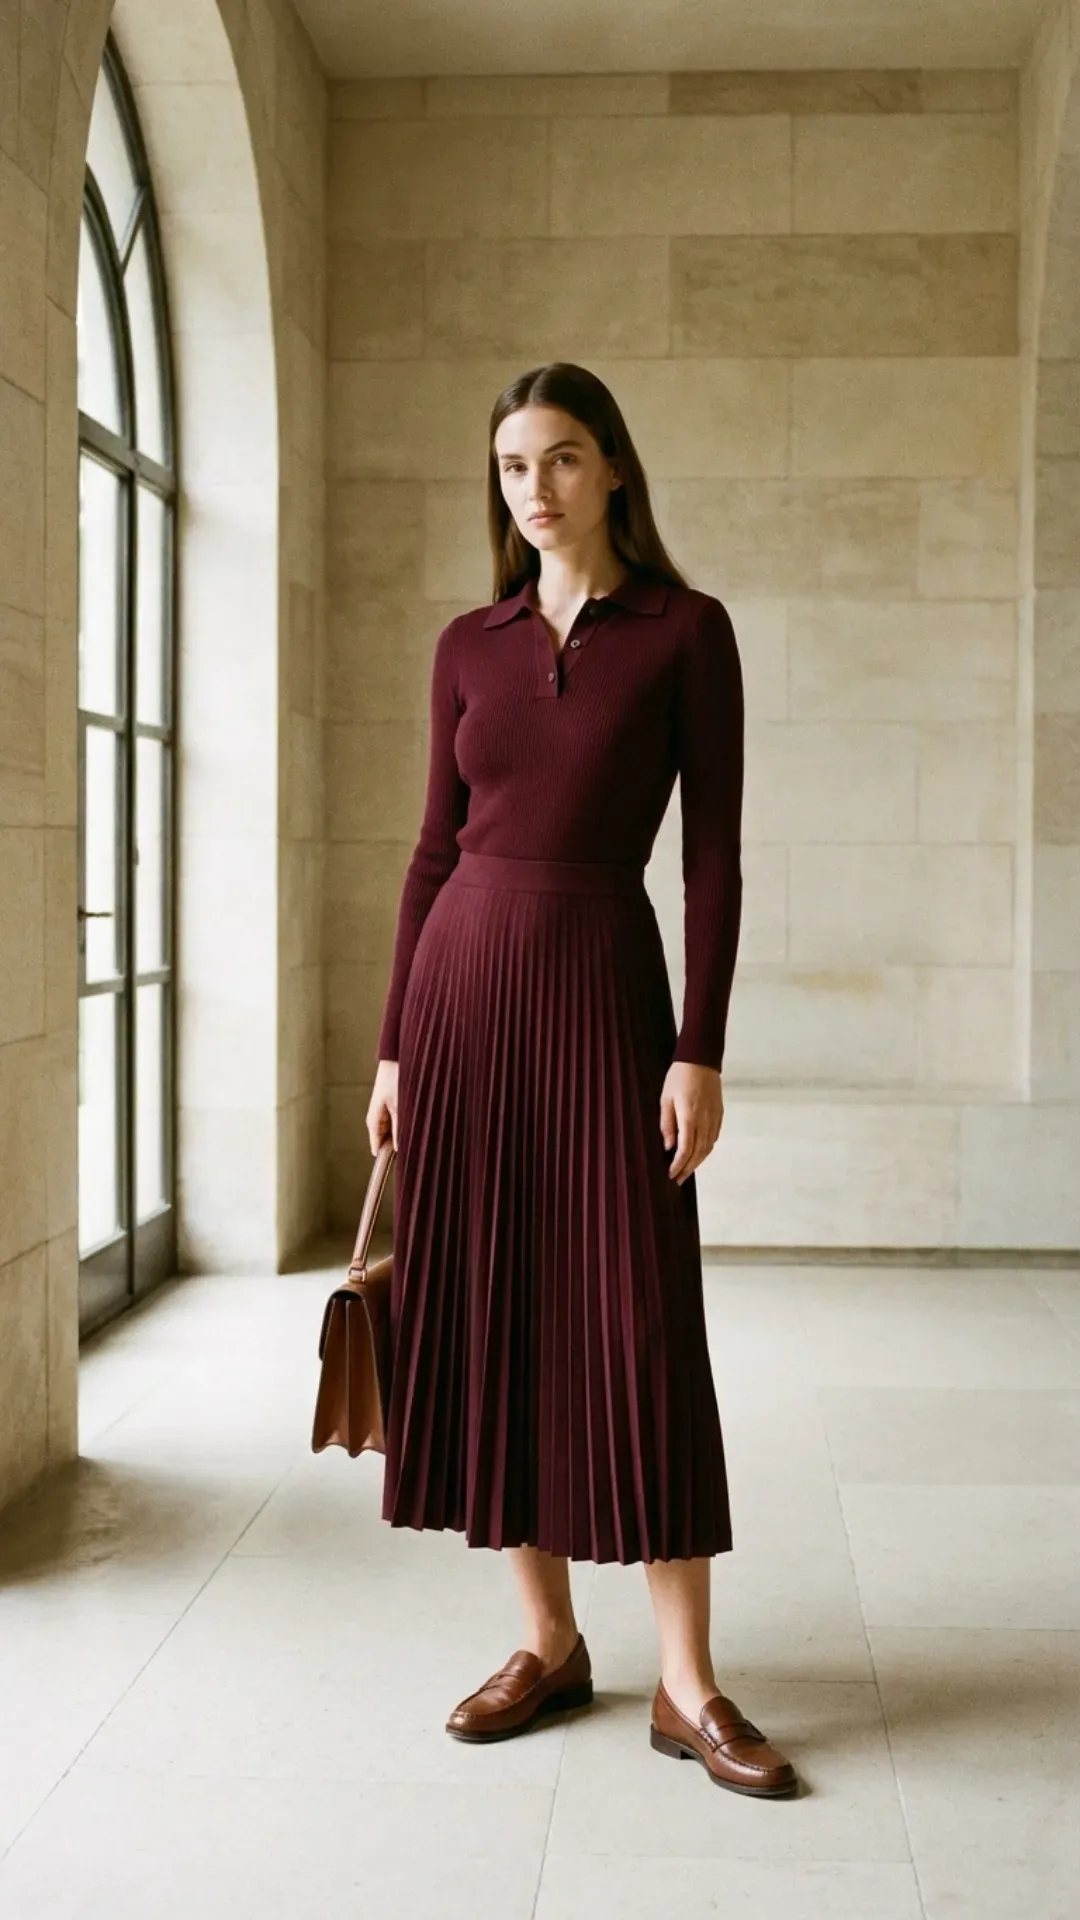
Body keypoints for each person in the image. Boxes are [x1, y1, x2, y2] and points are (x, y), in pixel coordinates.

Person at [365, 362, 797, 1798]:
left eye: (559, 460)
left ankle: (689, 1684)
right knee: (493, 1308)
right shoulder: (467, 646)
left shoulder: (687, 633)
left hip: (610, 996)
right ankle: (546, 1641)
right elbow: (433, 852)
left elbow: (718, 856)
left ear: (614, 469)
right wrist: (390, 1047)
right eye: (509, 467)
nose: (533, 491)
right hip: (464, 1001)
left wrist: (701, 1047)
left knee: (637, 1323)